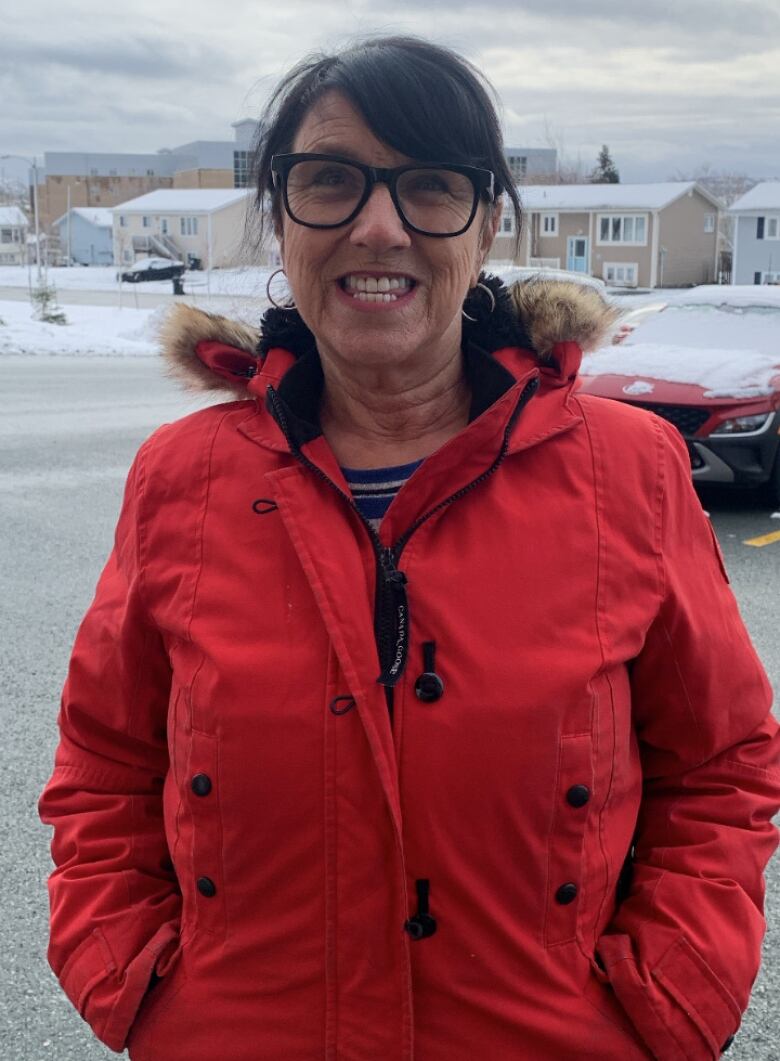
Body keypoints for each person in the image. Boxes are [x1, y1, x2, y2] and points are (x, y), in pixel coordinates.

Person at [39, 36, 779, 1061]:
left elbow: (720, 764)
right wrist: (136, 982)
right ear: (281, 219)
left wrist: (670, 997)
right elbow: (105, 764)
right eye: (330, 180)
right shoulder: (181, 476)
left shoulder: (631, 470)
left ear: (485, 227)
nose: (378, 226)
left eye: (429, 186)